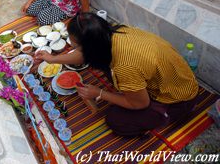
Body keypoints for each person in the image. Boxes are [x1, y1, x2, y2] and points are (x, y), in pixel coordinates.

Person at [35, 12, 199, 136]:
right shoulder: (116, 32)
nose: (74, 49)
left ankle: (163, 117)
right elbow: (86, 53)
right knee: (108, 71)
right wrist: (52, 59)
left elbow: (140, 104)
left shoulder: (124, 66)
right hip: (174, 78)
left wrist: (99, 93)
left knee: (115, 120)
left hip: (179, 99)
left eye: (76, 46)